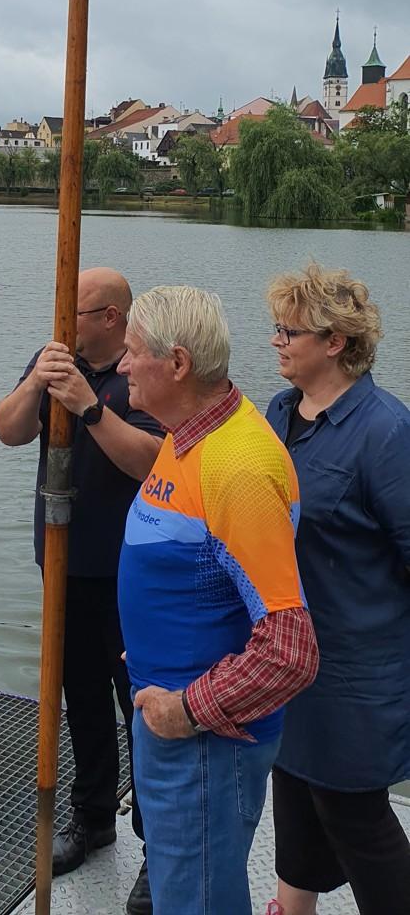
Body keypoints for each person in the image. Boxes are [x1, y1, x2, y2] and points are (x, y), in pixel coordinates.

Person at [116, 284, 319, 915]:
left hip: (204, 743)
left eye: (132, 351)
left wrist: (186, 709)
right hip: (171, 717)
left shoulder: (237, 467)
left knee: (197, 901)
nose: (121, 365)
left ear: (177, 363)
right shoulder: (187, 436)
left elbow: (290, 651)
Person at [0, 267, 164, 915]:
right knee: (80, 699)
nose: (62, 322)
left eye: (77, 311)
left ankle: (156, 845)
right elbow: (9, 430)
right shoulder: (54, 359)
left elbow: (151, 461)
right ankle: (92, 818)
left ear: (112, 318)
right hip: (63, 565)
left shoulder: (142, 368)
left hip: (131, 574)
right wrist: (39, 383)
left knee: (141, 709)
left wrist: (89, 407)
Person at [264, 262, 410, 915]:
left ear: (335, 342)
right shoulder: (279, 412)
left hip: (355, 666)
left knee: (354, 813)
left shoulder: (385, 431)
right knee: (294, 791)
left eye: (289, 332)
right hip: (290, 651)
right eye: (276, 329)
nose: (277, 342)